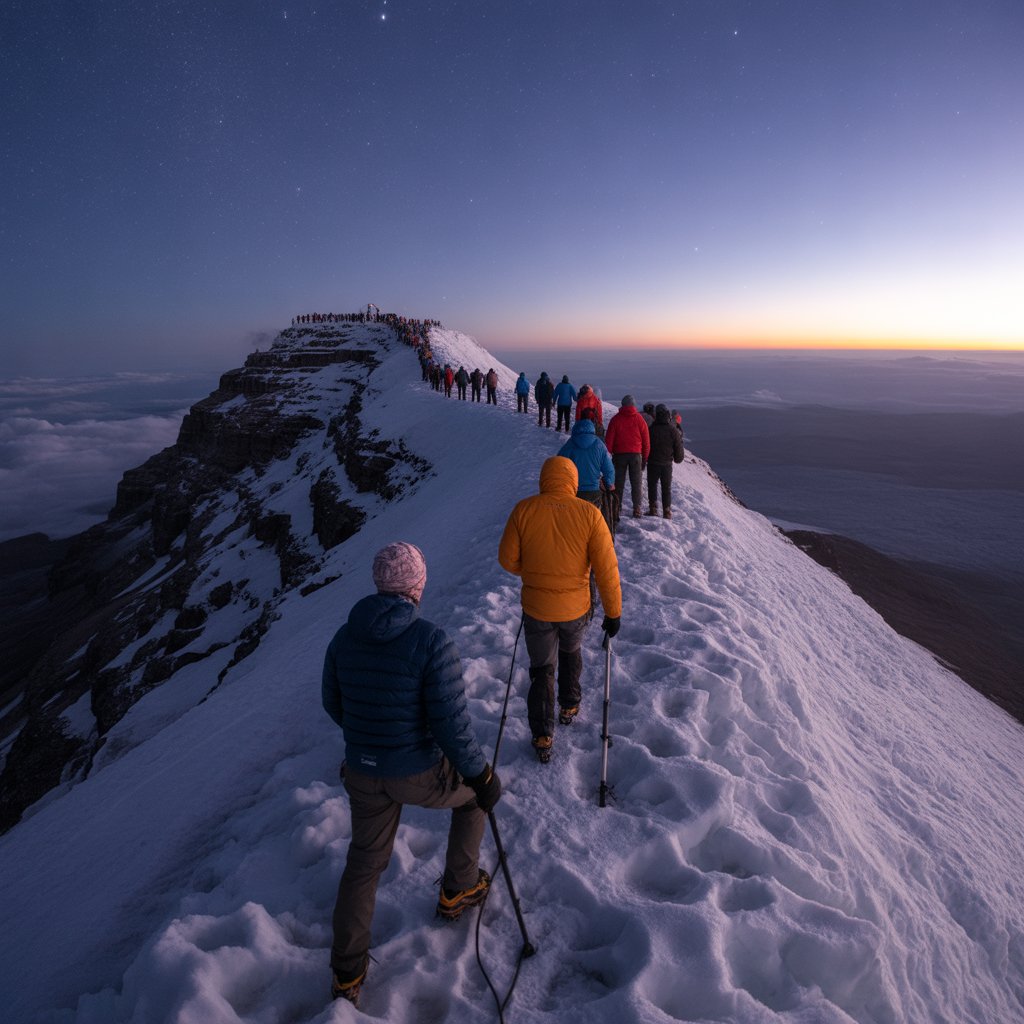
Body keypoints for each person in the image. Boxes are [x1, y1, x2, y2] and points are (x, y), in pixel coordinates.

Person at [322, 542, 502, 1006]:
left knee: (364, 863)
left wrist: (370, 737)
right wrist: (480, 776)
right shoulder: (431, 641)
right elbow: (450, 723)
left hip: (362, 770)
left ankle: (346, 971)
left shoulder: (345, 636)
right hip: (417, 770)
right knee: (471, 800)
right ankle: (458, 888)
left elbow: (333, 702)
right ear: (417, 586)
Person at [498, 457, 621, 762]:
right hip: (575, 607)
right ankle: (569, 704)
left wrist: (532, 573)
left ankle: (542, 734)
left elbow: (507, 559)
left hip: (537, 607)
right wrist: (613, 612)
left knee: (542, 669)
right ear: (573, 481)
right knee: (570, 651)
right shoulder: (590, 513)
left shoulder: (524, 509)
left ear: (544, 479)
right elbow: (606, 569)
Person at [604, 395, 650, 519]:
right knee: (636, 483)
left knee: (618, 482)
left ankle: (617, 508)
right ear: (634, 405)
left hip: (619, 456)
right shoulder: (640, 420)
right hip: (636, 455)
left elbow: (608, 441)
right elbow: (646, 441)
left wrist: (607, 457)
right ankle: (637, 508)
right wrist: (645, 457)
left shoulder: (616, 419)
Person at [558, 412, 615, 507]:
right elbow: (609, 469)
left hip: (574, 491)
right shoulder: (599, 445)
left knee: (576, 520)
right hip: (594, 491)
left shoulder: (570, 444)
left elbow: (558, 465)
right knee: (593, 519)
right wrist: (609, 483)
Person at [646, 404, 685, 519]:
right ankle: (667, 511)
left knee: (652, 486)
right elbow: (678, 447)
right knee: (666, 488)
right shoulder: (673, 430)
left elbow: (646, 446)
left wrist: (644, 459)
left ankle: (653, 509)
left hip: (653, 463)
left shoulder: (651, 429)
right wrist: (678, 459)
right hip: (667, 464)